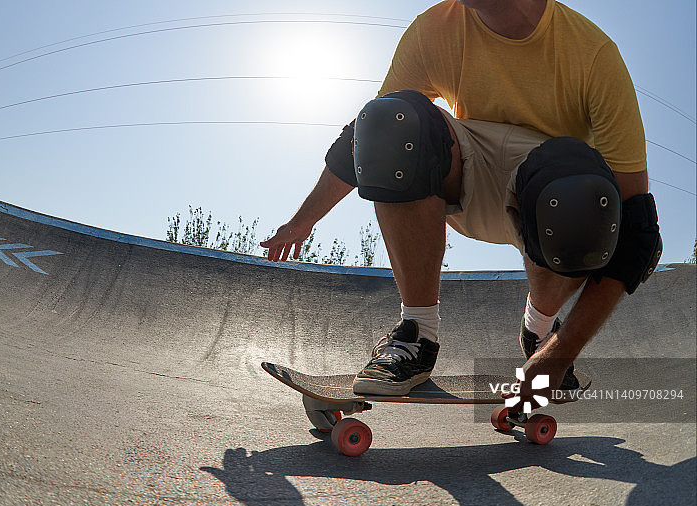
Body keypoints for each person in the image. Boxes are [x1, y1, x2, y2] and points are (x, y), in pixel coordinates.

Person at [260, 0, 662, 403]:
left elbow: (637, 230)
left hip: (551, 203)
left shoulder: (593, 54)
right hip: (466, 174)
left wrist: (561, 351)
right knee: (390, 116)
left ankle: (540, 330)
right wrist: (303, 220)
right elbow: (366, 139)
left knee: (582, 186)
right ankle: (417, 333)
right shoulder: (435, 28)